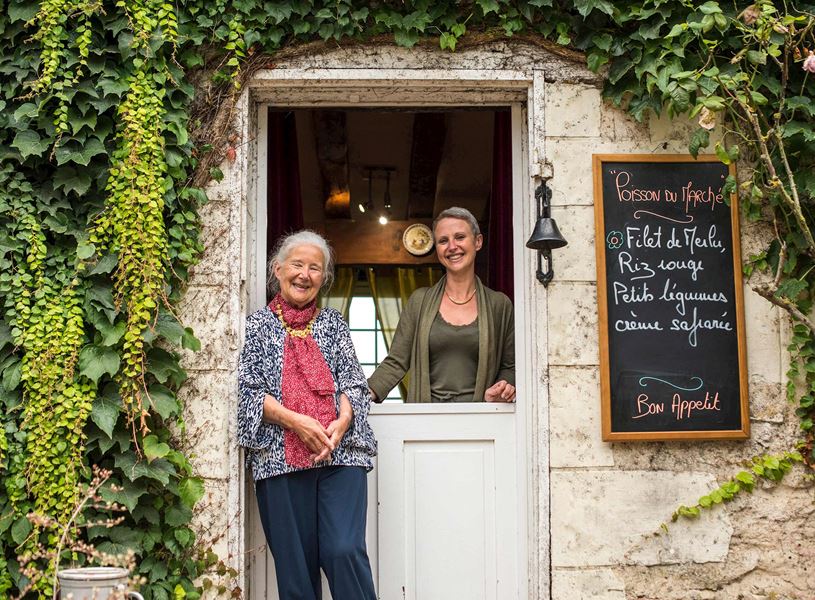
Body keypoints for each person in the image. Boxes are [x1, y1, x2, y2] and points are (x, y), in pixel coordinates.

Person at [237, 230, 378, 600]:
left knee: (343, 550)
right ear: (278, 269)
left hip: (340, 454)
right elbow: (249, 394)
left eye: (315, 268)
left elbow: (353, 383)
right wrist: (296, 421)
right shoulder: (255, 327)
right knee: (296, 571)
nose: (305, 274)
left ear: (324, 278)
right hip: (280, 460)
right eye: (297, 264)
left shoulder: (334, 325)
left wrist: (343, 420)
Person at [368, 207, 516, 404]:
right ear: (437, 249)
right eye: (443, 241)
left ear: (478, 242)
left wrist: (502, 388)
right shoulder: (419, 301)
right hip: (426, 422)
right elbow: (396, 362)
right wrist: (359, 396)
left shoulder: (500, 305)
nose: (452, 246)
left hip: (482, 423)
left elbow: (511, 366)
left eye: (460, 237)